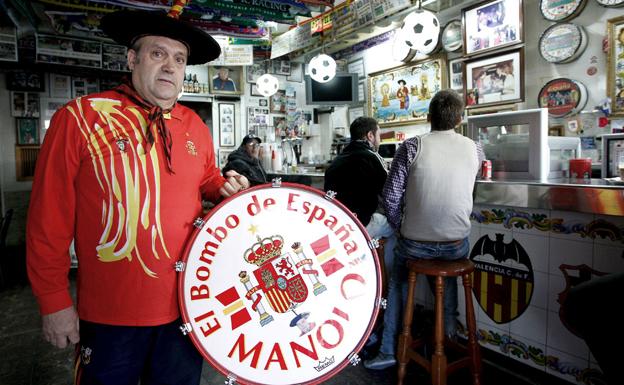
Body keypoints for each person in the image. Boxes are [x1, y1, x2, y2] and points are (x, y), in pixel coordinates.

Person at [26, 7, 250, 385]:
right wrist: (54, 301)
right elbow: (49, 218)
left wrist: (224, 185)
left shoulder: (193, 124)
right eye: (158, 53)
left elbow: (206, 178)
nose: (169, 67)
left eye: (179, 59)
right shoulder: (80, 118)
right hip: (110, 316)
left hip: (187, 309)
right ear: (132, 58)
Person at [364, 89, 484, 370]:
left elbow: (391, 198)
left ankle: (390, 351)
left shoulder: (412, 146)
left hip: (416, 242)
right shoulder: (475, 148)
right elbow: (470, 192)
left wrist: (402, 226)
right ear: (460, 118)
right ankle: (448, 340)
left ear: (429, 117)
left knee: (398, 285)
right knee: (448, 285)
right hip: (457, 243)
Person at [324, 117, 396, 278]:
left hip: (339, 226)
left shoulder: (336, 161)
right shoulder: (371, 156)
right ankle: (388, 282)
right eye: (378, 135)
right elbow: (390, 192)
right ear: (370, 135)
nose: (379, 139)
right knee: (397, 228)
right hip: (362, 223)